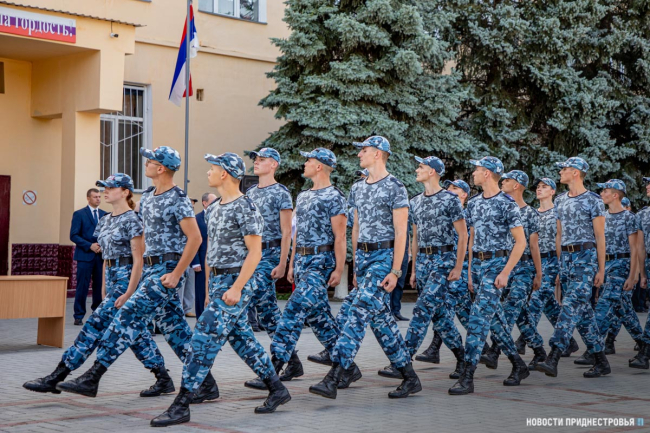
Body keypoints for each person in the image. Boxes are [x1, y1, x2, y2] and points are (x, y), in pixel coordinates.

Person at [54, 146, 214, 402]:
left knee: (127, 316)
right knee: (176, 331)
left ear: (161, 168)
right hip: (151, 269)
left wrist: (176, 273)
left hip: (167, 269)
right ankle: (206, 383)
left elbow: (195, 238)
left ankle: (93, 376)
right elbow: (129, 212)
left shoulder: (178, 198)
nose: (145, 164)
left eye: (149, 161)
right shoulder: (149, 195)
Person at [150, 153, 291, 427]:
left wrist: (237, 288)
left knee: (202, 338)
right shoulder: (213, 209)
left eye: (212, 168)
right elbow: (210, 253)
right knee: (243, 341)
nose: (208, 172)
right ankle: (277, 389)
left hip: (237, 282)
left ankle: (182, 404)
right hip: (217, 283)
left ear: (225, 173)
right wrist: (207, 292)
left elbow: (255, 253)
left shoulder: (246, 207)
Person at [23, 174, 172, 398]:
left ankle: (57, 376)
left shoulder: (133, 220)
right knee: (135, 332)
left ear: (125, 192)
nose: (105, 191)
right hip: (111, 279)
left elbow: (138, 260)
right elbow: (105, 257)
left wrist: (130, 292)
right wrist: (102, 289)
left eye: (111, 187)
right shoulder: (105, 220)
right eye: (104, 188)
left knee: (94, 326)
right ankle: (163, 378)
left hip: (126, 280)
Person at [310, 136, 421, 400]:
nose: (360, 154)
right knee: (381, 322)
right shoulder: (358, 188)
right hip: (364, 258)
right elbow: (356, 228)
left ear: (378, 154)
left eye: (364, 150)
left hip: (384, 258)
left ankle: (335, 375)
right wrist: (356, 269)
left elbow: (402, 232)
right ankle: (410, 378)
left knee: (358, 311)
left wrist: (396, 271)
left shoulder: (395, 187)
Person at [247, 148, 349, 391]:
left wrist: (338, 269)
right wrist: (291, 263)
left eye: (309, 160)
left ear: (320, 166)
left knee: (293, 310)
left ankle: (274, 368)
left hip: (320, 261)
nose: (305, 163)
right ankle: (348, 368)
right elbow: (296, 234)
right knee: (319, 317)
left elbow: (340, 237)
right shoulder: (303, 196)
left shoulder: (334, 196)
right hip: (302, 261)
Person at [377, 156, 467, 381]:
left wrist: (458, 266)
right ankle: (464, 359)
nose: (417, 170)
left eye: (421, 167)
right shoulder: (415, 201)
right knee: (441, 318)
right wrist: (415, 269)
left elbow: (463, 234)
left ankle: (402, 361)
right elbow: (415, 237)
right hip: (424, 262)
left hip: (444, 261)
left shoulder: (450, 199)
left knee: (422, 309)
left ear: (433, 171)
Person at [448, 156, 528, 395]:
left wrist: (505, 272)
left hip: (497, 266)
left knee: (478, 319)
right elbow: (471, 239)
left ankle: (467, 376)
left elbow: (521, 242)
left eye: (477, 169)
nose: (473, 173)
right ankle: (518, 364)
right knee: (496, 321)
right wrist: (469, 272)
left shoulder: (507, 203)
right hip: (478, 267)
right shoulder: (473, 203)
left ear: (487, 173)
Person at [536, 157, 610, 378]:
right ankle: (601, 361)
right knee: (584, 314)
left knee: (569, 307)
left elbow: (600, 237)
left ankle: (554, 356)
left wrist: (601, 269)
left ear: (576, 172)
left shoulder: (593, 200)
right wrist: (561, 267)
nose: (561, 172)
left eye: (564, 169)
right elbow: (559, 235)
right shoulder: (560, 200)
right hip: (566, 259)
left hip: (585, 257)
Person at [570, 180, 642, 371]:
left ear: (615, 195)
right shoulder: (603, 216)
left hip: (621, 265)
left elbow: (635, 249)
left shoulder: (629, 217)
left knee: (602, 307)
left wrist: (633, 275)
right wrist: (599, 269)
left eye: (605, 191)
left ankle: (593, 350)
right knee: (623, 309)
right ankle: (645, 345)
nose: (601, 193)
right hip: (607, 265)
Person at [244, 147, 301, 383]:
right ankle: (293, 362)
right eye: (255, 159)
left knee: (253, 298)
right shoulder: (250, 192)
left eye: (262, 159)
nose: (256, 162)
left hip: (270, 254)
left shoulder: (281, 192)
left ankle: (273, 368)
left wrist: (283, 262)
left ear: (274, 164)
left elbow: (287, 232)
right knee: (268, 313)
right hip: (253, 253)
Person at [514, 178, 579, 369]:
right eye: (538, 187)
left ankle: (523, 340)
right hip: (536, 261)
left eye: (544, 187)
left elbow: (562, 238)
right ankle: (570, 342)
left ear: (552, 192)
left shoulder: (557, 212)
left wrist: (561, 266)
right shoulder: (533, 213)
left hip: (552, 260)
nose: (539, 190)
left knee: (536, 300)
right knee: (549, 305)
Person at [480, 170, 541, 369]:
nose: (503, 182)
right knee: (521, 316)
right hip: (506, 266)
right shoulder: (502, 206)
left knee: (510, 308)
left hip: (524, 268)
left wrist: (538, 273)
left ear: (516, 185)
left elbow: (533, 246)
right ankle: (539, 350)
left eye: (507, 180)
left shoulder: (530, 213)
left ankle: (494, 352)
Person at [416, 179, 472, 367]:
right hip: (444, 269)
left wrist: (467, 273)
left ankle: (481, 349)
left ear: (464, 194)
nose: (449, 190)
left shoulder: (466, 216)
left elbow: (470, 246)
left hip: (458, 271)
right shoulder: (444, 213)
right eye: (449, 187)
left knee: (459, 314)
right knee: (445, 311)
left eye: (455, 188)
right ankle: (445, 352)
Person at [70, 188, 107, 325]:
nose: (98, 199)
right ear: (88, 198)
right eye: (95, 197)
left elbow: (107, 234)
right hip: (84, 256)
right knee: (82, 286)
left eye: (99, 196)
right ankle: (78, 315)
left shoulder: (105, 215)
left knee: (99, 286)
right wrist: (89, 245)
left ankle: (97, 314)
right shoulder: (79, 214)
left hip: (100, 256)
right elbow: (74, 235)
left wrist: (102, 245)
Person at [631, 176, 650, 369]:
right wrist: (642, 273)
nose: (648, 187)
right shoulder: (643, 214)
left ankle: (645, 352)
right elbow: (641, 247)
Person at [194, 192, 217, 318]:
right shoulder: (197, 219)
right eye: (213, 201)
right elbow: (193, 240)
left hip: (216, 261)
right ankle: (200, 318)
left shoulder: (218, 216)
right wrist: (195, 262)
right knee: (201, 292)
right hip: (202, 261)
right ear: (205, 203)